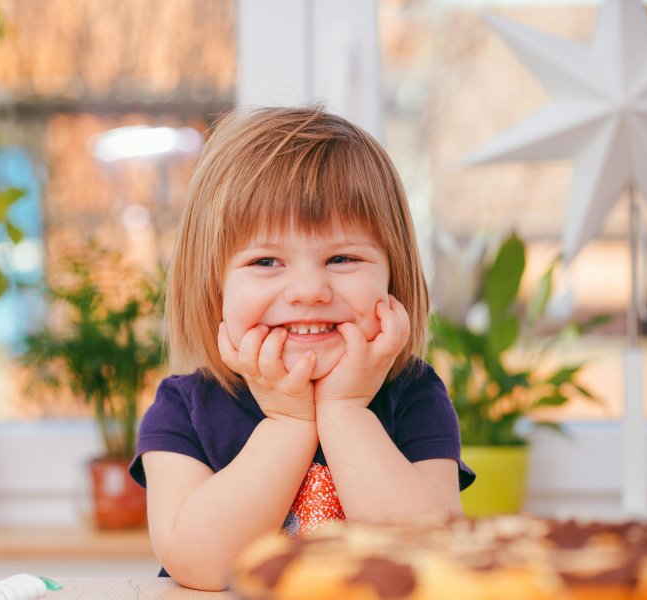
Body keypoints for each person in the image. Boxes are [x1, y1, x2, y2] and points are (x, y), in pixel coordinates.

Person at [128, 107, 475, 591]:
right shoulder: (183, 408)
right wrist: (288, 422)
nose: (309, 289)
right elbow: (199, 565)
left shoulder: (414, 395)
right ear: (213, 288)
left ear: (393, 277)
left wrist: (346, 412)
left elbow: (429, 558)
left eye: (343, 257)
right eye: (266, 260)